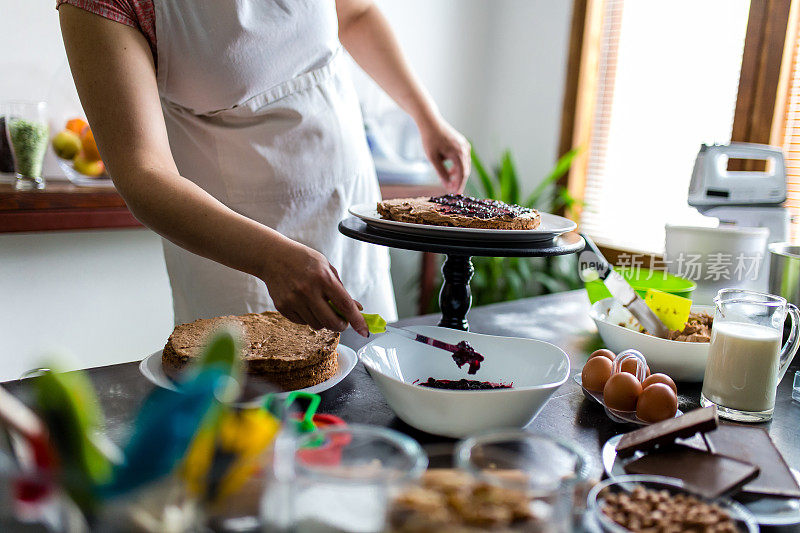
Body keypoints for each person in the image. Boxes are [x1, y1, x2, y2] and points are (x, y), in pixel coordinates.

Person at [57, 0, 470, 337]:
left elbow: (355, 14)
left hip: (346, 200)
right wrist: (269, 258)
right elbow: (143, 173)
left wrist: (426, 117)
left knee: (367, 392)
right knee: (258, 418)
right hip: (237, 243)